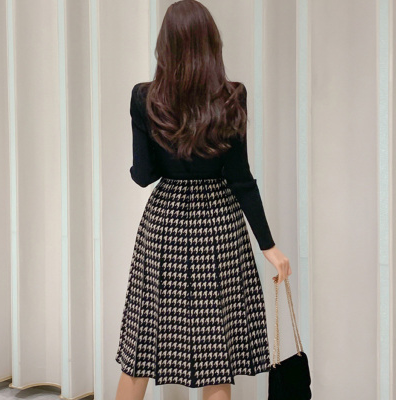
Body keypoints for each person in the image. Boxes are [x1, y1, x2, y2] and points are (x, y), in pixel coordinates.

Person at [115, 1, 291, 399]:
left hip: (167, 225)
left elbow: (143, 176)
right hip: (219, 224)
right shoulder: (232, 96)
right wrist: (268, 245)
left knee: (141, 346)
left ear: (165, 45)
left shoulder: (145, 97)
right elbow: (241, 178)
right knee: (216, 356)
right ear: (212, 43)